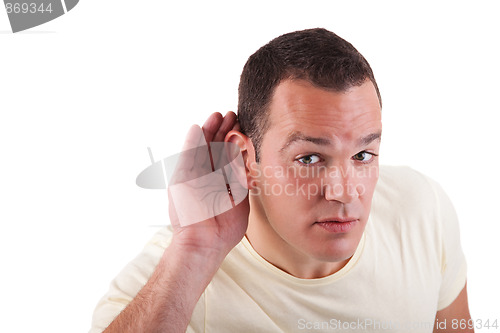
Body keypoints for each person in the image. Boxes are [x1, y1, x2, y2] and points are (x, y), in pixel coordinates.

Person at [89, 28, 472, 332]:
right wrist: (195, 251)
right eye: (309, 158)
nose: (343, 192)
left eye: (362, 155)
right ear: (245, 158)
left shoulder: (423, 211)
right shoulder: (171, 280)